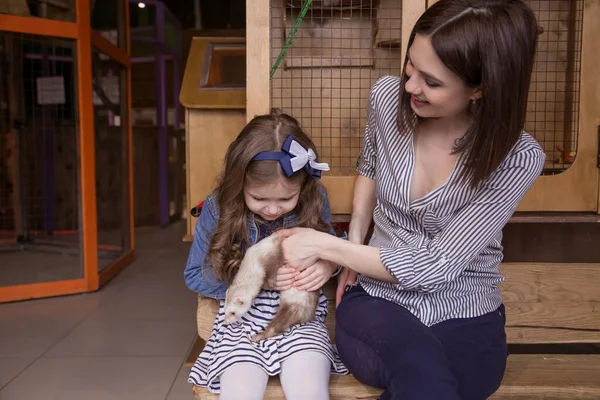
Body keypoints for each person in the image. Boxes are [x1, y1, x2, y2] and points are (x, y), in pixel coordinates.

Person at [277, 0, 545, 399]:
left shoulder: (518, 157)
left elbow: (437, 266)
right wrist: (354, 241)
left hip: (466, 307)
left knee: (449, 375)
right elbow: (369, 165)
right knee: (423, 368)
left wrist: (326, 245)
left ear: (480, 88)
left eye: (432, 82)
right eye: (411, 66)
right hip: (376, 301)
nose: (410, 86)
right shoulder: (387, 100)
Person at [184, 111, 348, 400]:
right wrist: (258, 281)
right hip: (241, 326)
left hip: (300, 322)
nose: (272, 210)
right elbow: (195, 275)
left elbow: (335, 246)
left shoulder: (314, 197)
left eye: (286, 199)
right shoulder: (217, 207)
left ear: (302, 187)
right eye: (259, 199)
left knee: (310, 387)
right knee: (239, 390)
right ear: (239, 183)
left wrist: (328, 263)